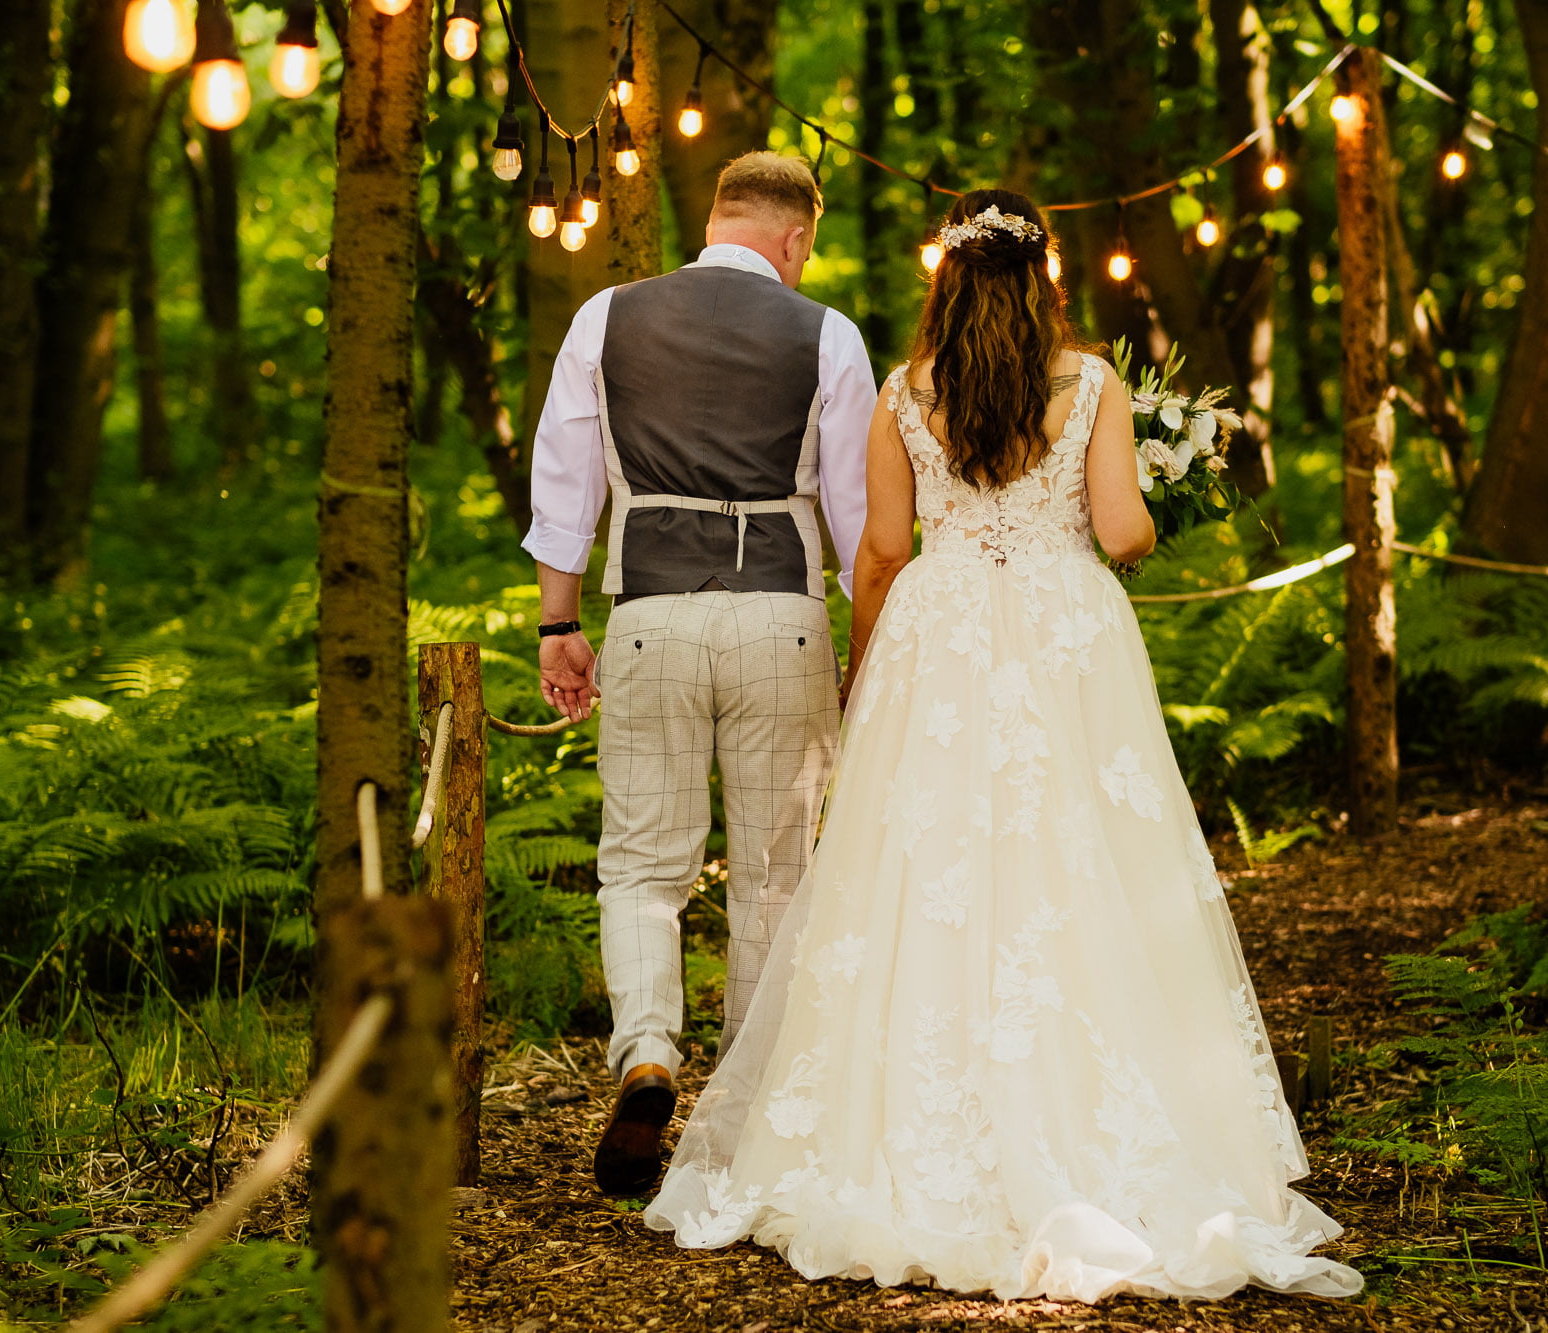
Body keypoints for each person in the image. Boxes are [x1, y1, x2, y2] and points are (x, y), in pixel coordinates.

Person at [643, 189, 1363, 1304]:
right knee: (1078, 858)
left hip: (939, 637)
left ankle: (904, 1130)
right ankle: (1098, 1125)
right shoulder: (1093, 384)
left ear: (946, 274)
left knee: (923, 870)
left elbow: (881, 549)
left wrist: (862, 664)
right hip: (1063, 637)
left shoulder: (902, 391)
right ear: (1044, 274)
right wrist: (1139, 494)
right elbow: (1120, 531)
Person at [523, 151, 876, 1197]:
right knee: (774, 866)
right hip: (782, 615)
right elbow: (857, 518)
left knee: (642, 863)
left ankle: (646, 1051)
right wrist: (868, 644)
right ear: (795, 237)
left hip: (649, 613)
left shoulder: (606, 317)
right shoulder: (829, 336)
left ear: (716, 219)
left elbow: (564, 475)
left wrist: (557, 621)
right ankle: (746, 1102)